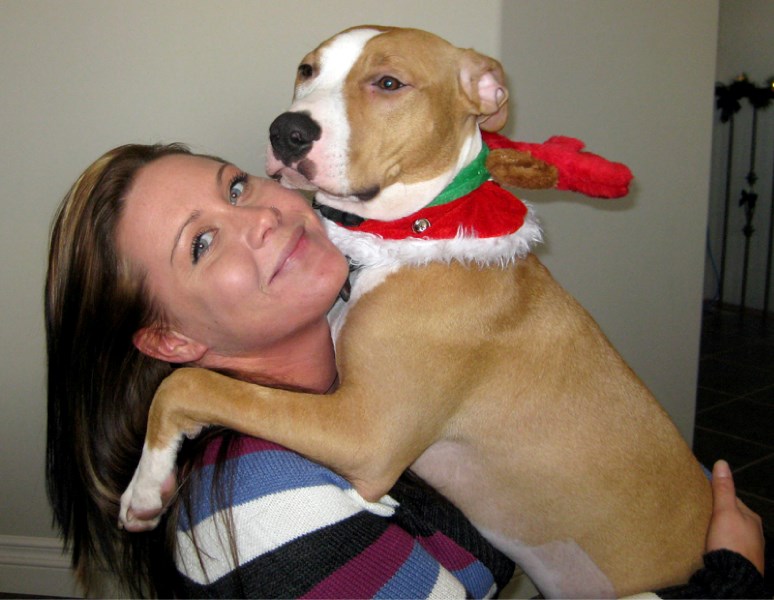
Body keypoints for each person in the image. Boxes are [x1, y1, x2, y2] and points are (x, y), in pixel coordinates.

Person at [45, 143, 767, 598]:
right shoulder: (262, 501)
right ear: (170, 343)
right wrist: (731, 580)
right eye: (202, 243)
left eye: (235, 189)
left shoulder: (360, 330)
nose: (259, 216)